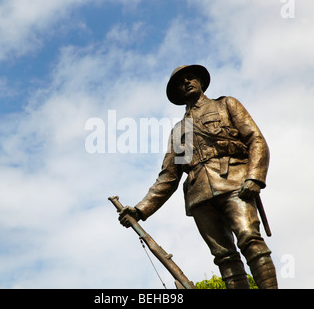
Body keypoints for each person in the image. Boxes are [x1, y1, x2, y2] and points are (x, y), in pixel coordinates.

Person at [119, 65, 278, 289]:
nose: (186, 82)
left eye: (190, 78)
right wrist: (139, 210)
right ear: (177, 93)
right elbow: (168, 177)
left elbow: (256, 140)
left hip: (234, 183)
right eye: (180, 82)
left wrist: (255, 178)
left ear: (200, 81)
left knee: (250, 239)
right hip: (200, 196)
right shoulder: (178, 131)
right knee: (224, 257)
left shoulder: (226, 104)